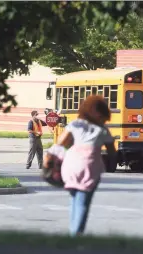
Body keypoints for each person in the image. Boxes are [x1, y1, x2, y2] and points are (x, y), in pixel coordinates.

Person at [57, 95, 117, 236]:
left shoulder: (75, 124)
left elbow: (61, 142)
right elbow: (112, 152)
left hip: (71, 165)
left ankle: (73, 231)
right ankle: (76, 236)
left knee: (74, 199)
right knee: (83, 202)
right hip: (90, 167)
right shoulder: (102, 130)